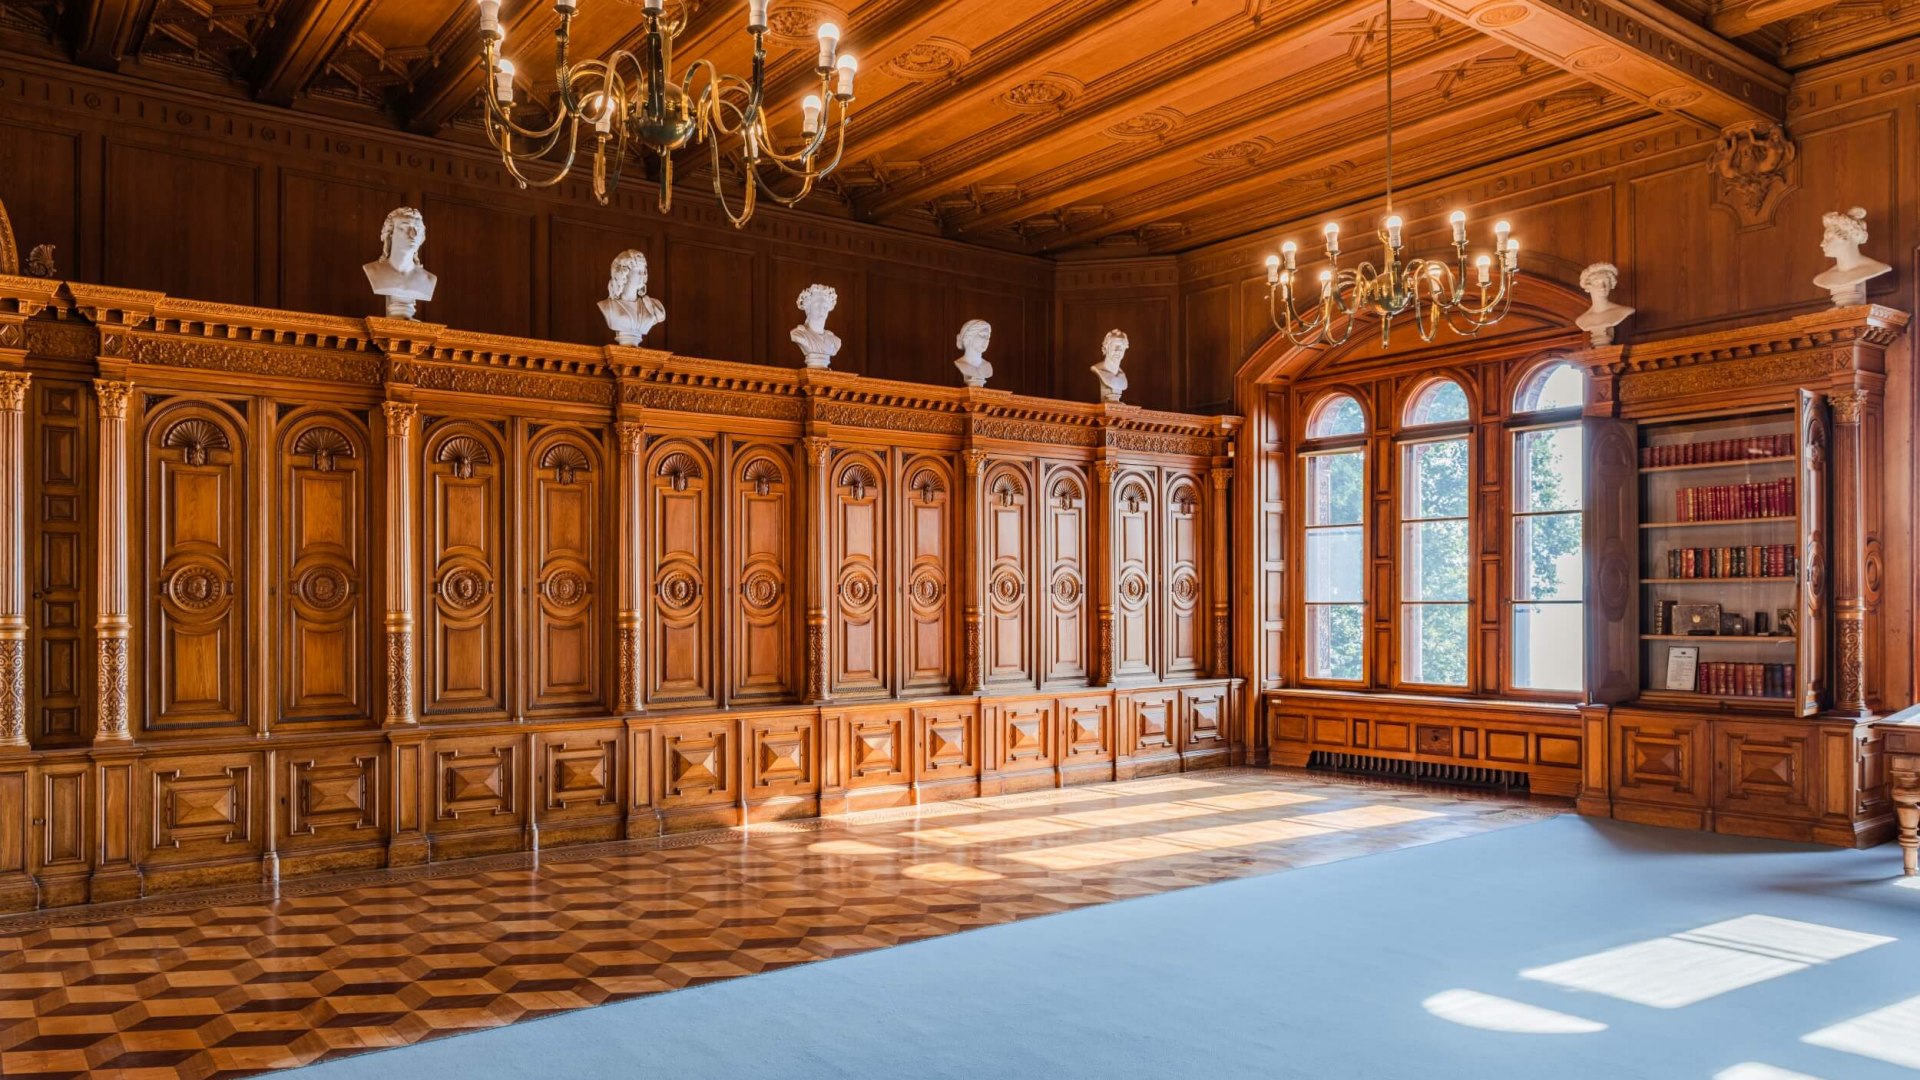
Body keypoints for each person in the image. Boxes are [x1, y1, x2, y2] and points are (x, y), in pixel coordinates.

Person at [363, 207, 438, 319]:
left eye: (417, 229)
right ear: (390, 233)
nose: (413, 234)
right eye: (404, 227)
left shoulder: (428, 279)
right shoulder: (373, 271)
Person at [1812, 207, 1891, 307]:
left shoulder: (1877, 268)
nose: (1822, 244)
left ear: (1848, 237)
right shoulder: (1821, 279)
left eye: (1829, 238)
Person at [598, 249, 667, 346]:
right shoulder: (607, 306)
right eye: (638, 270)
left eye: (644, 271)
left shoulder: (652, 306)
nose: (643, 275)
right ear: (624, 273)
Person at [954, 318, 993, 387]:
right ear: (969, 336)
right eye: (982, 336)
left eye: (988, 337)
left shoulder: (987, 367)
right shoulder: (960, 364)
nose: (986, 340)